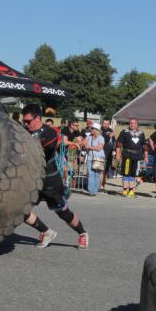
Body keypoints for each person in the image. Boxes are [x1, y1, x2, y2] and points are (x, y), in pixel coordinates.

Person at [20, 104, 89, 249]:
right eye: (24, 121)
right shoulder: (23, 131)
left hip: (50, 181)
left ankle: (83, 234)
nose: (25, 124)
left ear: (38, 118)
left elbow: (47, 146)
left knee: (63, 212)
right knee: (20, 210)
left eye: (28, 121)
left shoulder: (49, 132)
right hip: (32, 181)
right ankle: (46, 232)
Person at [116, 118, 148, 197]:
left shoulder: (141, 133)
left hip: (137, 156)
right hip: (127, 155)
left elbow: (145, 146)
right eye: (130, 123)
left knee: (133, 174)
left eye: (133, 123)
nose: (132, 124)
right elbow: (118, 144)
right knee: (126, 173)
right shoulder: (124, 132)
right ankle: (124, 190)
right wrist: (118, 154)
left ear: (137, 124)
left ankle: (131, 191)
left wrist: (146, 156)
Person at [84, 123, 106, 196]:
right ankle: (91, 190)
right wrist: (92, 147)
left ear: (96, 130)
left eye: (92, 128)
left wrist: (89, 147)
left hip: (99, 158)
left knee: (97, 174)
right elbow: (84, 144)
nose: (91, 129)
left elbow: (99, 148)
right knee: (90, 174)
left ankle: (95, 190)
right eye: (91, 128)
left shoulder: (101, 138)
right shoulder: (88, 137)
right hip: (90, 157)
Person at [100, 119, 115, 193]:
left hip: (110, 153)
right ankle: (99, 186)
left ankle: (103, 186)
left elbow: (114, 140)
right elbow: (103, 140)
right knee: (101, 170)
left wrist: (114, 150)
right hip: (102, 153)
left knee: (105, 171)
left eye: (107, 124)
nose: (106, 125)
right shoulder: (100, 131)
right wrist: (109, 136)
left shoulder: (111, 130)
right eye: (104, 123)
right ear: (102, 123)